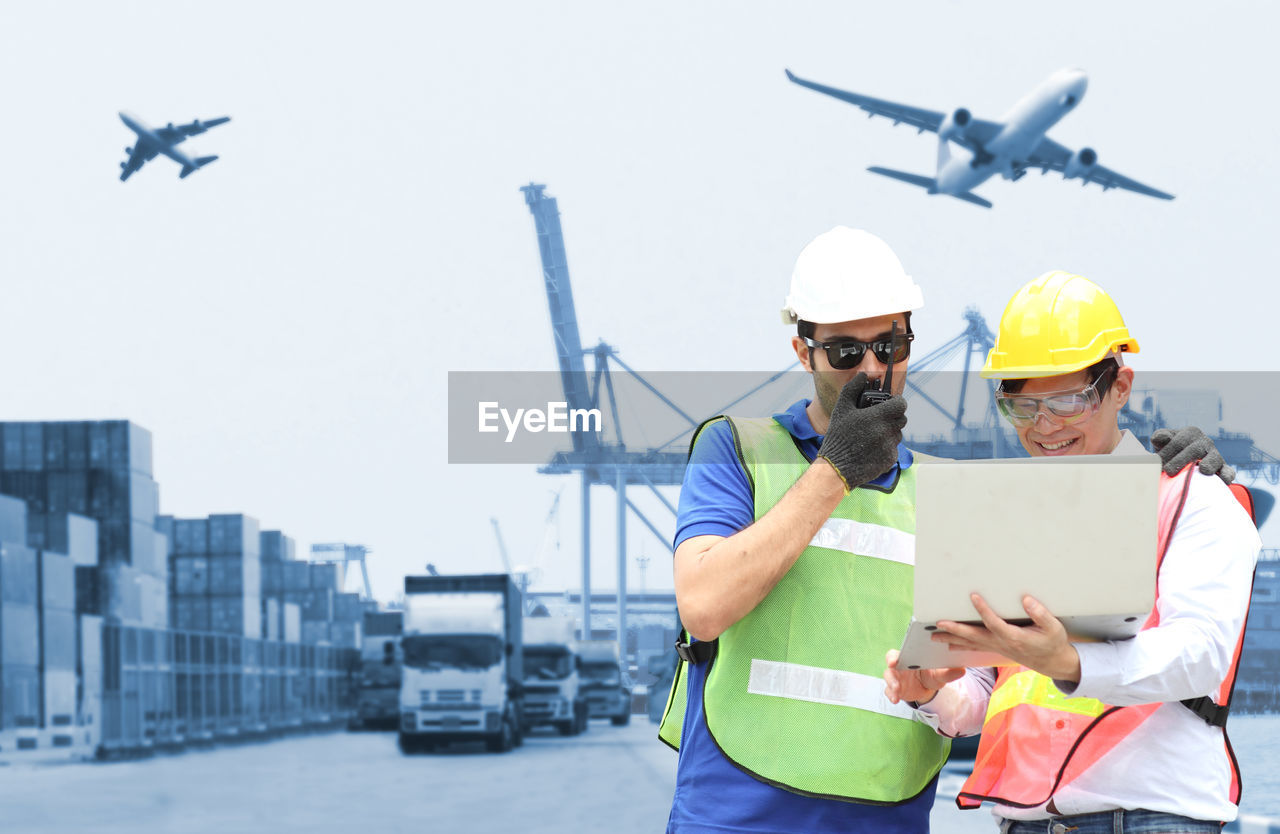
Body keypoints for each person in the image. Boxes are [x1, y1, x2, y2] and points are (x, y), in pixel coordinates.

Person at [659, 234, 1226, 834]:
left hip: (890, 816)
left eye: (890, 344)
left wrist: (1154, 469)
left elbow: (984, 674)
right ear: (805, 352)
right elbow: (703, 606)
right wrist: (836, 469)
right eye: (846, 351)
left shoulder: (954, 494)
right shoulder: (736, 448)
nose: (873, 368)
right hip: (741, 812)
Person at [883, 271, 1260, 834]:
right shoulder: (1006, 518)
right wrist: (933, 693)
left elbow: (1202, 653)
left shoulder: (1194, 496)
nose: (1045, 426)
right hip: (1026, 821)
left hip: (1151, 818)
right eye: (1023, 407)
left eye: (1067, 401)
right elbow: (993, 690)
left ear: (1121, 386)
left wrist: (1072, 663)